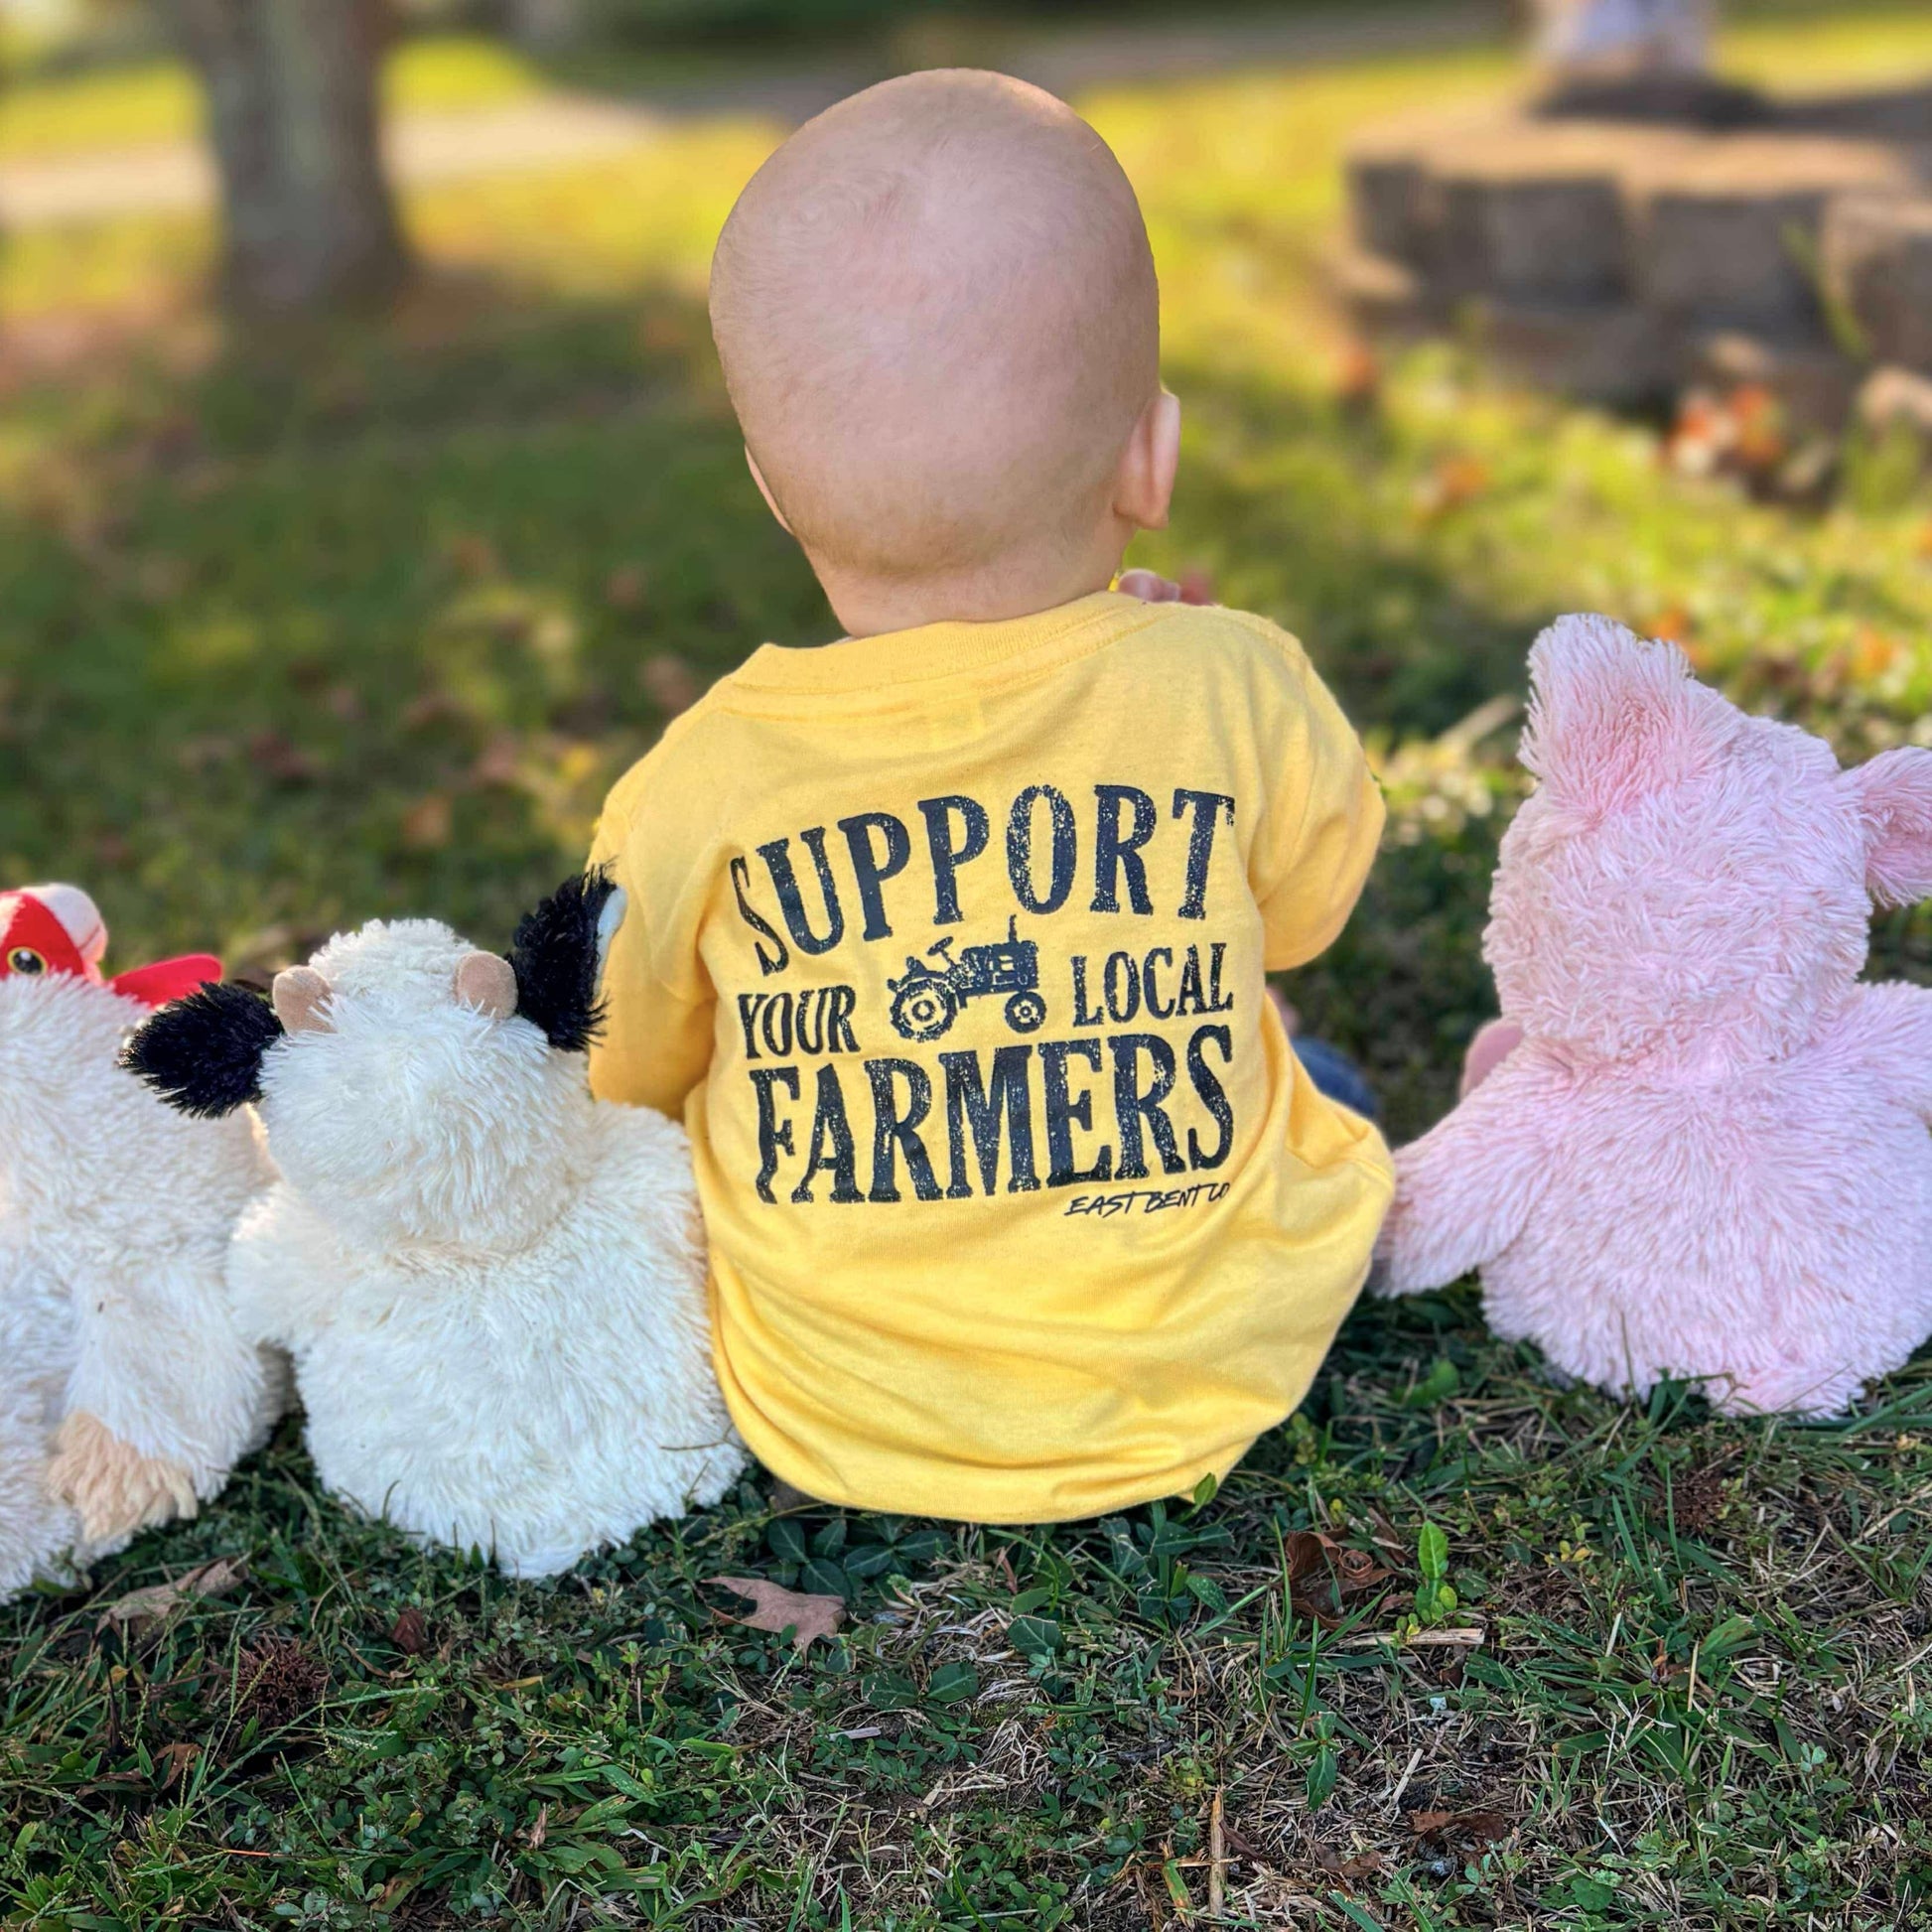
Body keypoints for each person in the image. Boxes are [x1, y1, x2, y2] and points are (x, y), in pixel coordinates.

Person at [588, 69, 1392, 1524]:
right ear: (1150, 456)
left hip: (841, 1403)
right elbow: (1300, 918)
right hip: (1202, 1362)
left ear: (771, 486)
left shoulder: (697, 780)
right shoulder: (1231, 683)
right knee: (1315, 1080)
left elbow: (624, 1062)